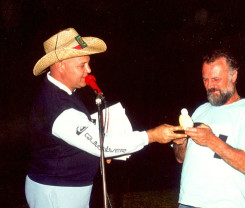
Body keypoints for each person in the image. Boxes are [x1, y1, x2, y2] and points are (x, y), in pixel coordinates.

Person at [25, 28, 186, 208]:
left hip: (67, 188)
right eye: (82, 65)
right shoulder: (57, 106)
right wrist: (152, 136)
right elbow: (104, 145)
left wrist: (96, 154)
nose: (89, 69)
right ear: (60, 65)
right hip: (57, 192)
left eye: (88, 63)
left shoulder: (62, 93)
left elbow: (72, 141)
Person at [173, 49, 245, 208]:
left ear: (234, 76)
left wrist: (211, 140)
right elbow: (180, 158)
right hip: (188, 202)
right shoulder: (201, 111)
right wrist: (180, 142)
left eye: (216, 79)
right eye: (205, 80)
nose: (210, 86)